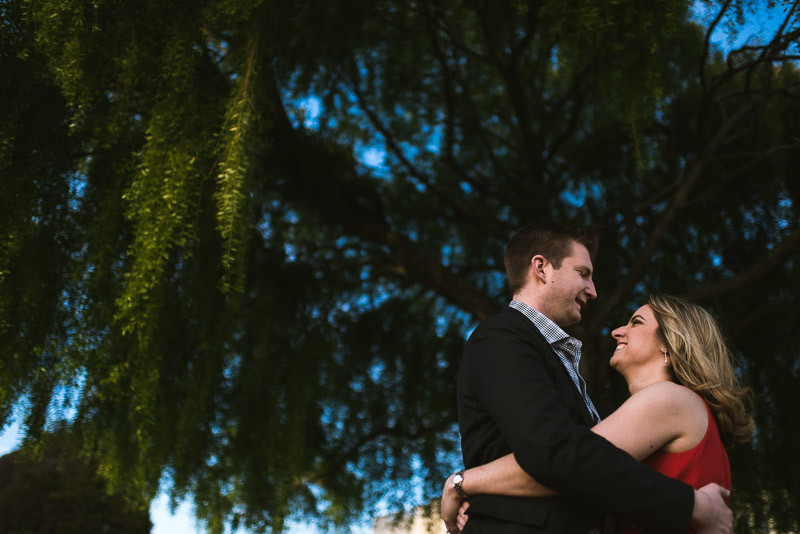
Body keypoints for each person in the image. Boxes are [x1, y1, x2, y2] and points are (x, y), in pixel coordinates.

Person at [444, 223, 741, 534]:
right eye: (583, 273)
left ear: (670, 345)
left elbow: (573, 459)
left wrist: (461, 482)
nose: (594, 290)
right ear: (542, 268)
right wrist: (691, 505)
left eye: (636, 322)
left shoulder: (668, 399)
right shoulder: (502, 337)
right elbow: (563, 456)